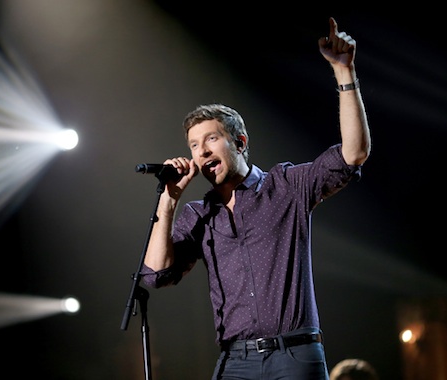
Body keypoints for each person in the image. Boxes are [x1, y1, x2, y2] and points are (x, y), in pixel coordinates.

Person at [141, 17, 371, 379]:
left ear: (240, 142)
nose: (202, 151)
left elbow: (352, 154)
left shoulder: (287, 186)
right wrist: (167, 201)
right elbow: (155, 276)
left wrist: (345, 73)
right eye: (194, 146)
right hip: (236, 362)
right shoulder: (198, 215)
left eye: (211, 139)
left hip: (294, 356)